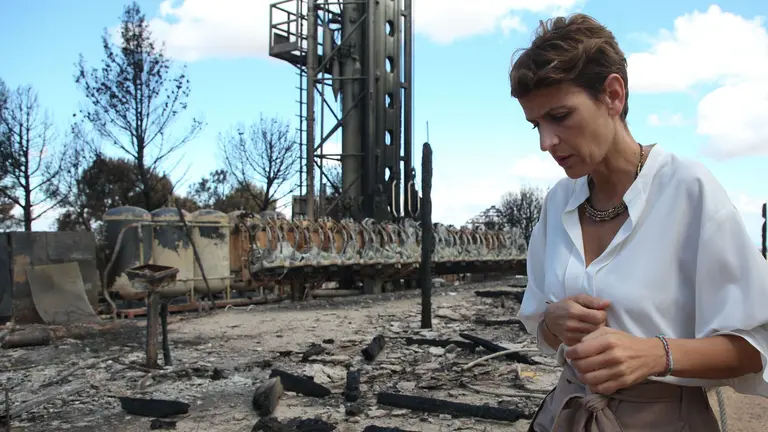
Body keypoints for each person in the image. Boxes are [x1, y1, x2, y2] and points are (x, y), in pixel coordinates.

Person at [511, 12, 768, 431]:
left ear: (613, 95)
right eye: (536, 124)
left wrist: (657, 353)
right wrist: (554, 322)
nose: (546, 142)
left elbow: (756, 346)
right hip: (567, 413)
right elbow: (545, 330)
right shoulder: (558, 202)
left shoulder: (689, 190)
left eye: (559, 116)